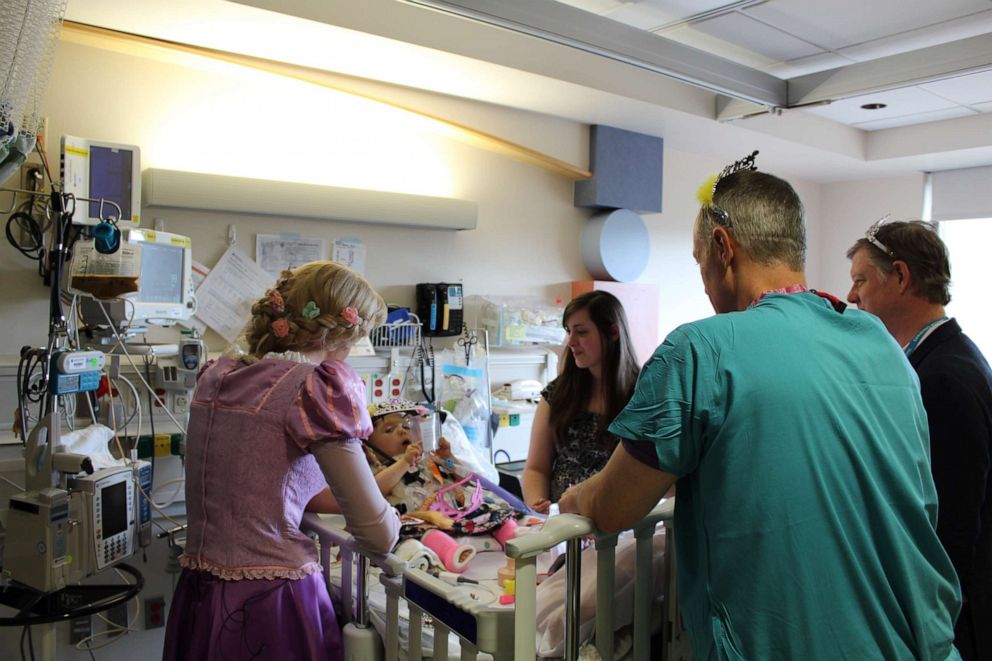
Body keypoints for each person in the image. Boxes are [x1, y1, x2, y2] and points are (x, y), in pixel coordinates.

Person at [559, 155, 962, 660]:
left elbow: (614, 507)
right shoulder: (882, 346)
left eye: (699, 260)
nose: (704, 282)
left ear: (723, 248)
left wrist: (572, 501)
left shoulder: (699, 351)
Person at [164, 261, 400, 661]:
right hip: (270, 603)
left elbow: (268, 480)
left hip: (199, 594)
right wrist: (396, 519)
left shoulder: (218, 375)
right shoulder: (314, 387)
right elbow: (376, 533)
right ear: (341, 335)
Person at [847, 220, 992, 661]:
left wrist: (930, 631)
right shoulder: (943, 361)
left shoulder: (944, 377)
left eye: (860, 280)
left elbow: (951, 528)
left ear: (902, 277)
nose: (852, 296)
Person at [521, 290, 640, 514]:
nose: (571, 342)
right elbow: (536, 468)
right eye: (568, 332)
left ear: (613, 332)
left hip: (618, 525)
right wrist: (538, 506)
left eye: (582, 332)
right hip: (562, 527)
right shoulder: (557, 395)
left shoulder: (643, 396)